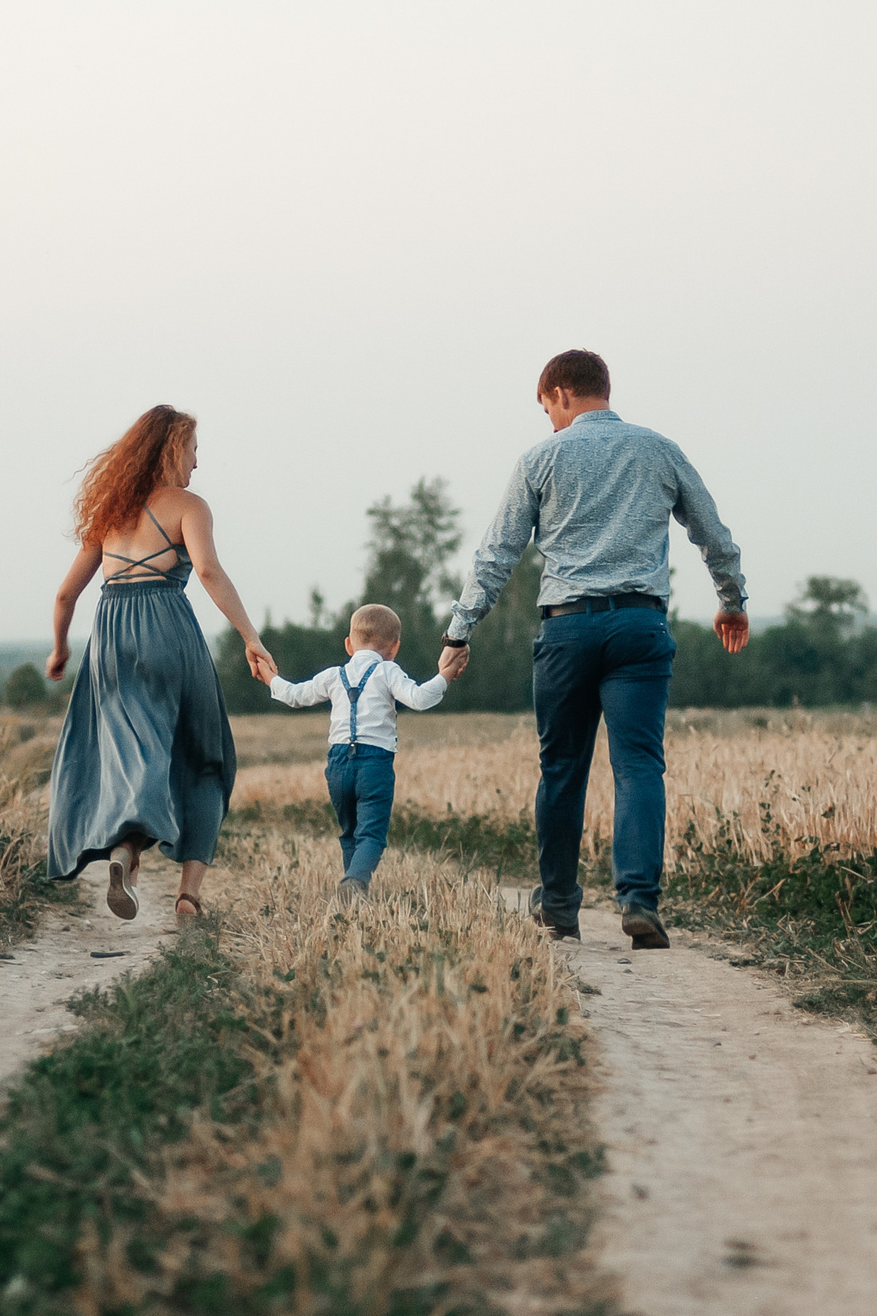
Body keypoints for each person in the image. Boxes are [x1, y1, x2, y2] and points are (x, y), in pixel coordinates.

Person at [437, 350, 748, 948]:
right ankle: (639, 900)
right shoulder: (660, 449)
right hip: (639, 626)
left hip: (567, 631)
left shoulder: (540, 459)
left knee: (562, 768)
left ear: (560, 394)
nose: (550, 421)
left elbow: (497, 554)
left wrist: (459, 630)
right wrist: (731, 600)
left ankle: (558, 906)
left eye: (546, 409)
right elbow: (713, 533)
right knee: (639, 765)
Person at [46, 405, 276, 921]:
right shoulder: (189, 507)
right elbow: (209, 573)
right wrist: (250, 637)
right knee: (206, 758)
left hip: (109, 640)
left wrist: (60, 650)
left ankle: (126, 852)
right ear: (174, 449)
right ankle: (188, 896)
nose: (197, 462)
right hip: (167, 631)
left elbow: (64, 596)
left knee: (135, 755)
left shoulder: (109, 512)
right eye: (194, 449)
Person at [262, 602, 452, 905]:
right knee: (371, 834)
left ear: (349, 645)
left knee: (349, 831)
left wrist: (270, 677)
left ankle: (352, 894)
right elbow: (418, 698)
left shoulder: (333, 675)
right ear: (394, 648)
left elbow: (295, 695)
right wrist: (444, 676)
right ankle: (355, 881)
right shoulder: (387, 670)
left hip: (338, 765)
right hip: (374, 765)